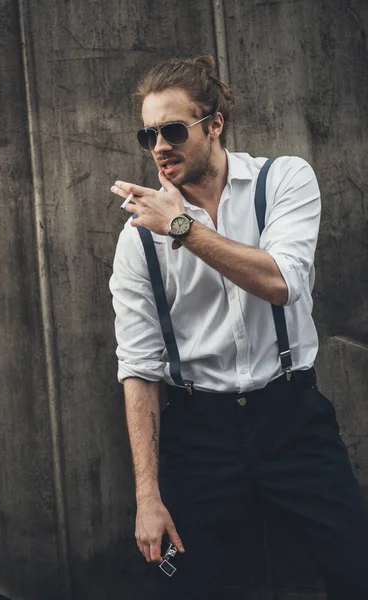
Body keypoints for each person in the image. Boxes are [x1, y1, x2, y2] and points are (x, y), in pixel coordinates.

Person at [109, 55, 368, 599]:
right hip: (199, 431)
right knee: (178, 586)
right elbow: (138, 369)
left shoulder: (283, 180)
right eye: (148, 133)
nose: (159, 146)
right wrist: (147, 495)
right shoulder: (138, 238)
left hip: (291, 416)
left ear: (215, 124)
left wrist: (181, 227)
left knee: (356, 568)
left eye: (174, 129)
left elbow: (280, 281)